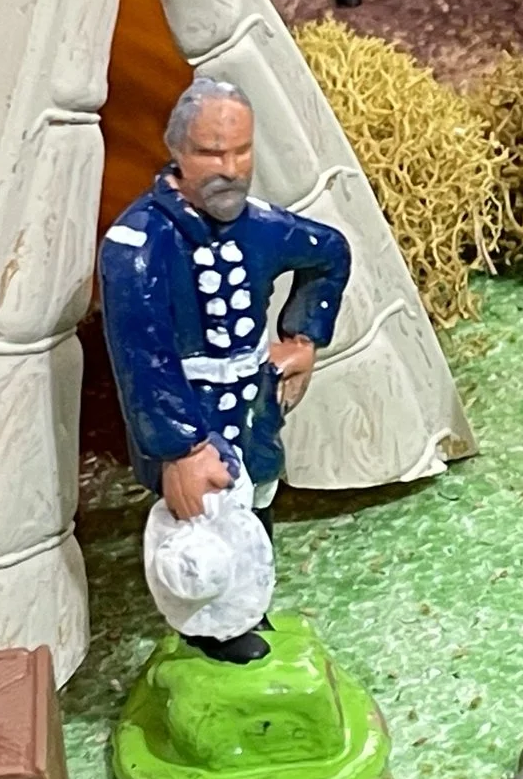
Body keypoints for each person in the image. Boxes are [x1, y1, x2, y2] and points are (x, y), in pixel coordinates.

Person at [99, 76, 351, 662]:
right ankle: (211, 630)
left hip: (254, 406)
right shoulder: (138, 247)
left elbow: (329, 253)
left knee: (257, 502)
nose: (230, 168)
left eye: (241, 151)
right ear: (179, 154)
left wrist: (303, 337)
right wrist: (181, 449)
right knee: (201, 532)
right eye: (213, 153)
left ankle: (249, 600)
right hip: (192, 417)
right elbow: (144, 361)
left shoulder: (261, 225)